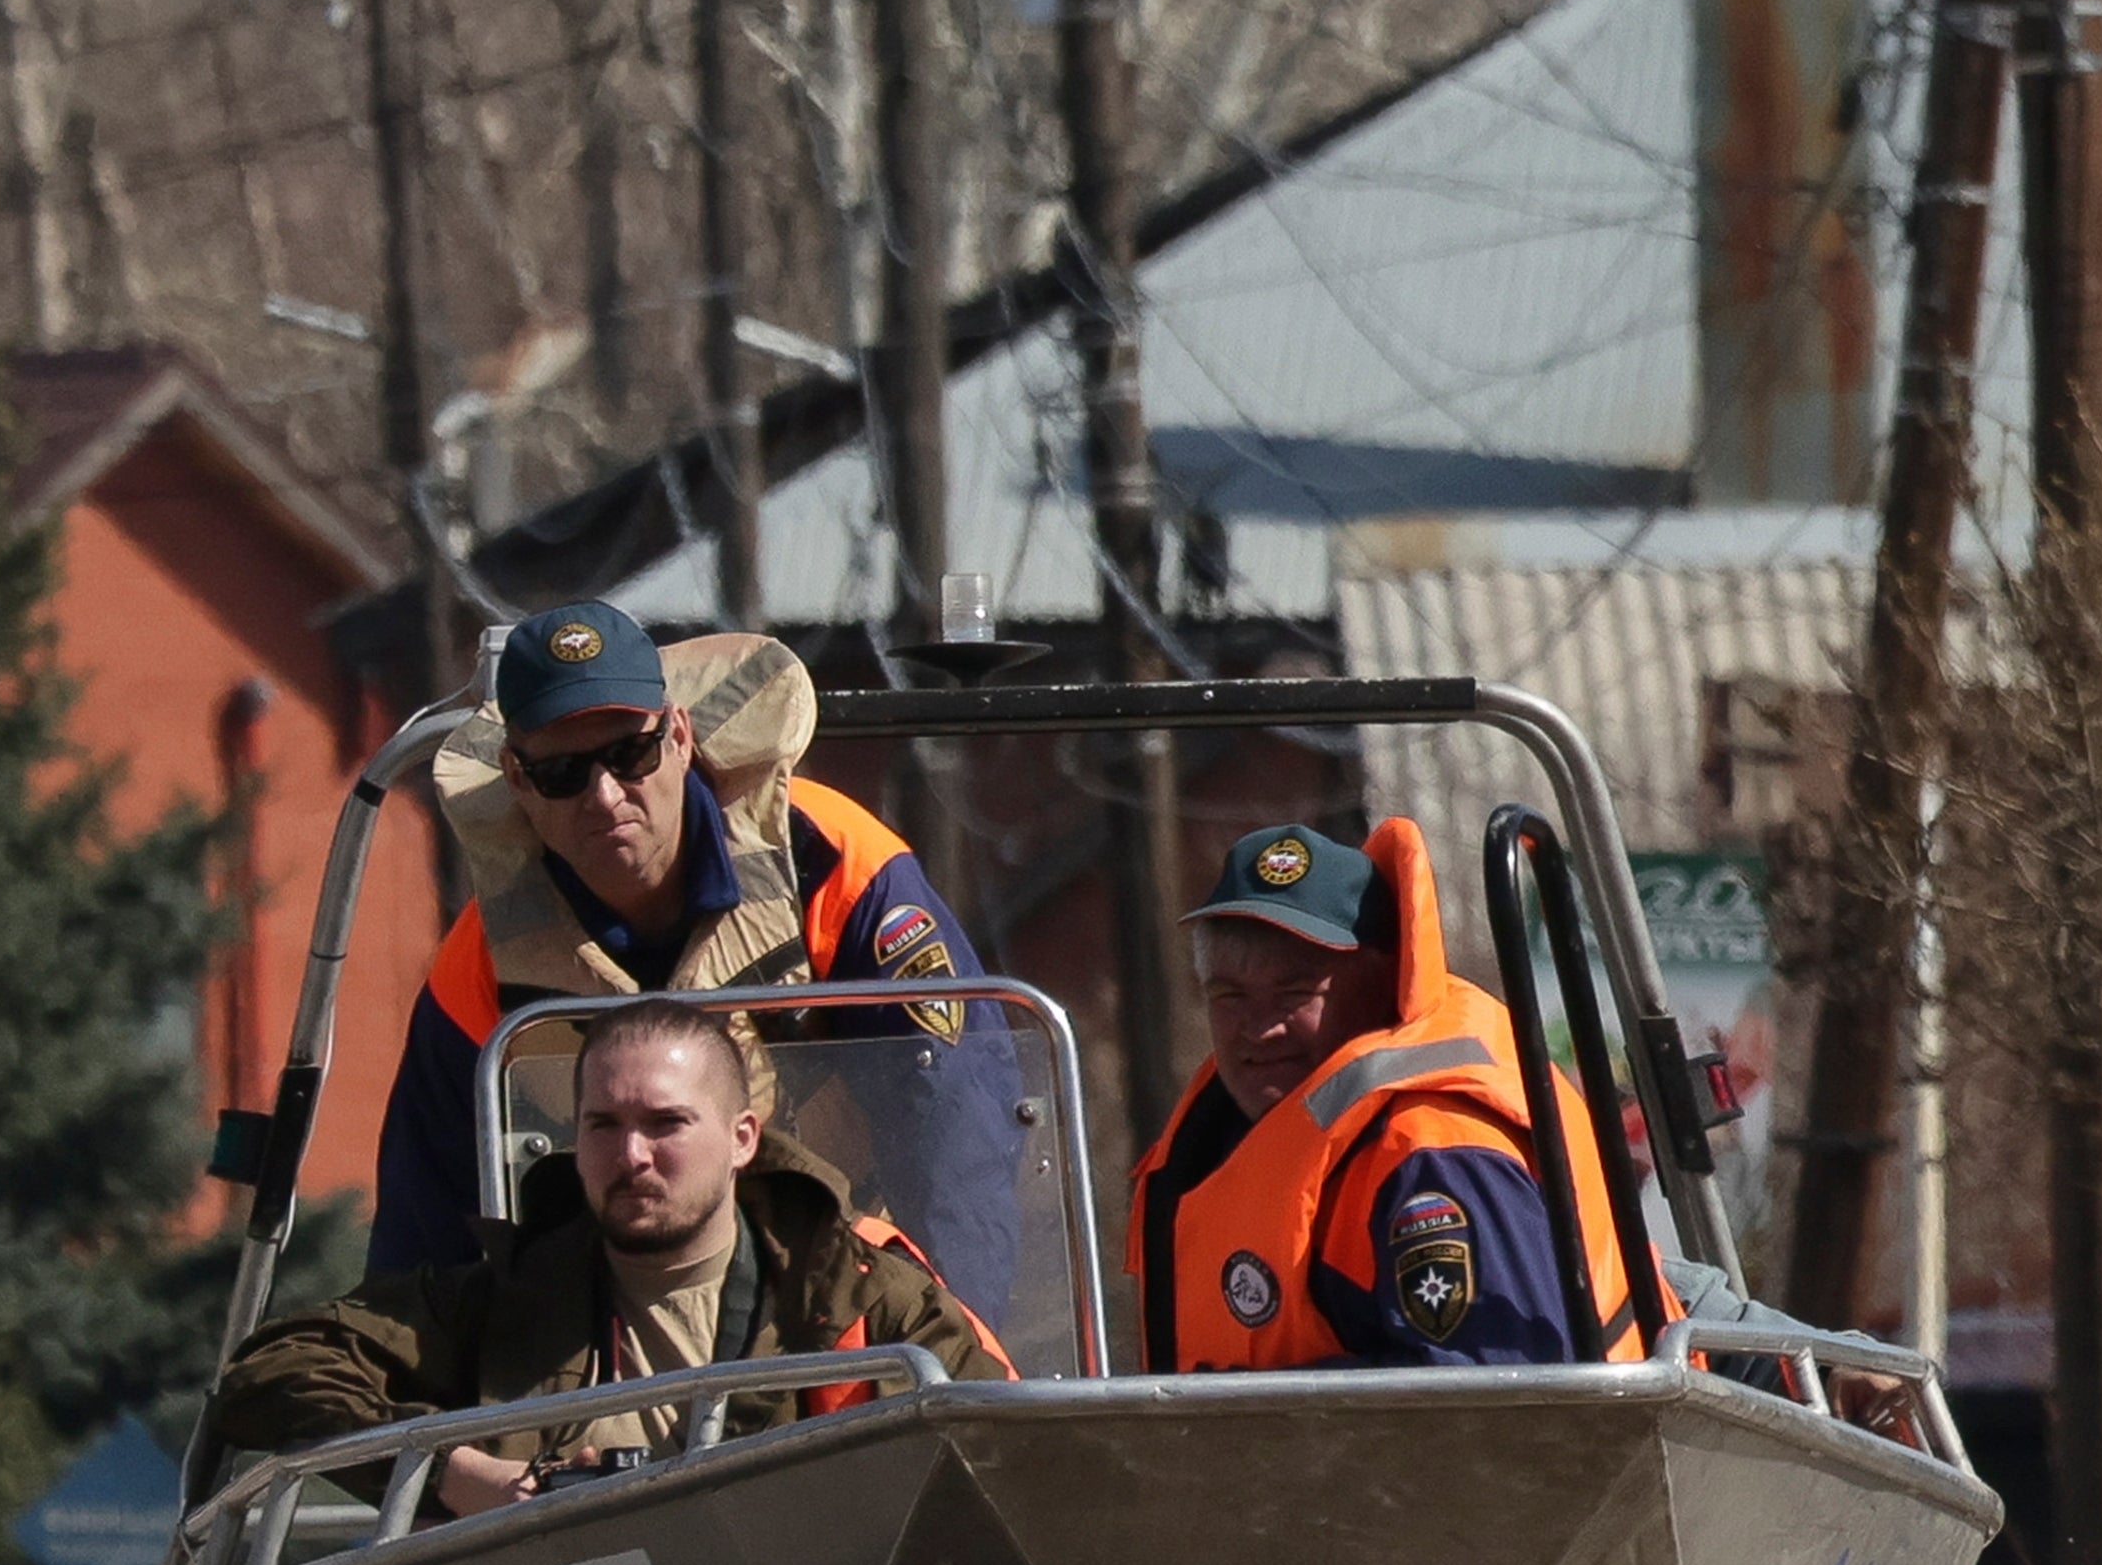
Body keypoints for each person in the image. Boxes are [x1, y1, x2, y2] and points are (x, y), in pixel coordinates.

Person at [364, 599, 1000, 1289]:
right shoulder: (483, 961)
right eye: (562, 774)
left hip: (848, 1293)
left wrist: (951, 1365)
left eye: (629, 754)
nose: (604, 797)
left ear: (679, 737)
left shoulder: (839, 867)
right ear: (517, 779)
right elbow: (425, 1233)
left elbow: (961, 1138)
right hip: (614, 1339)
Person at [217, 1002, 1008, 1514]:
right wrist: (456, 1474)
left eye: (665, 1124)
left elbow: (1014, 1457)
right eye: (602, 1125)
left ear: (742, 1139)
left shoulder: (870, 1299)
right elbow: (271, 1374)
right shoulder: (501, 1299)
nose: (631, 1155)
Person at [1128, 818, 1644, 1373]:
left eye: (1295, 994)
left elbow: (1503, 1404)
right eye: (1230, 996)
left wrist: (1252, 1413)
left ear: (1381, 986)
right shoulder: (1226, 1144)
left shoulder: (1434, 1154)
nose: (1259, 1028)